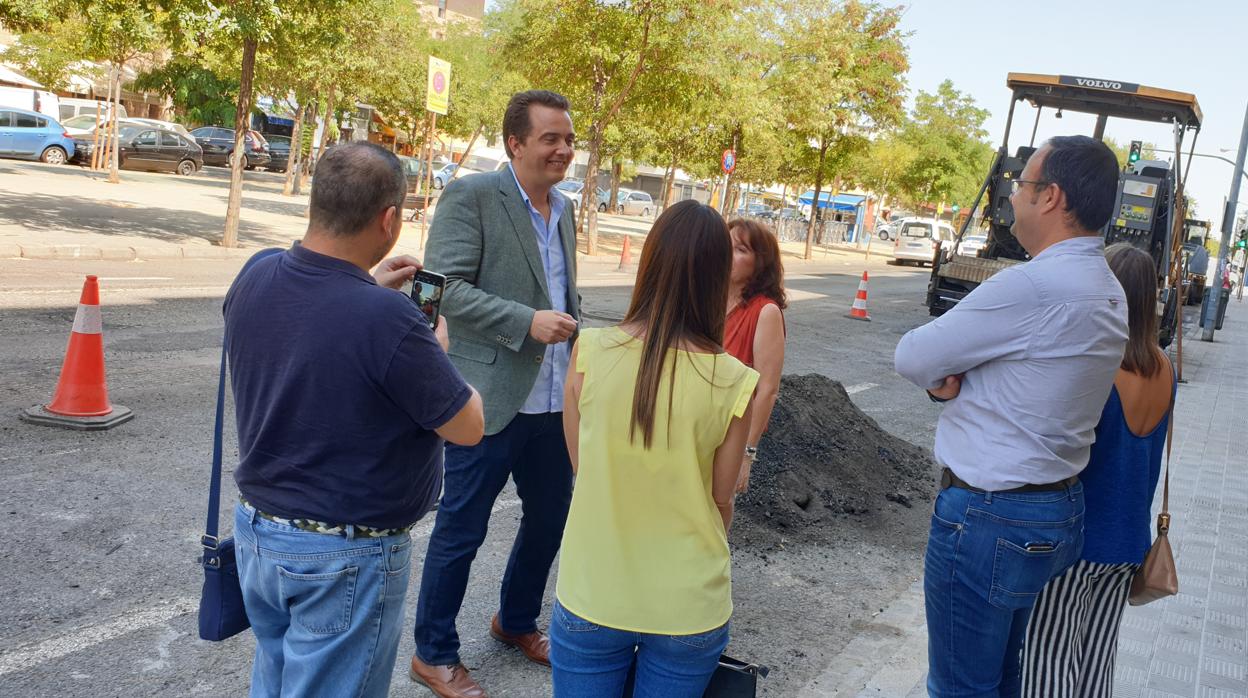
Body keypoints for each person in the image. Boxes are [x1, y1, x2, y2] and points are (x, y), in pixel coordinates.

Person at [225, 142, 484, 698]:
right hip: (344, 554)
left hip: (259, 534)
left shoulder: (256, 272)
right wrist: (434, 347)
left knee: (274, 682)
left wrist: (370, 288)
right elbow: (467, 426)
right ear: (389, 219)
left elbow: (315, 317)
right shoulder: (390, 321)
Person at [893, 135, 1128, 697]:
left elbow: (913, 356)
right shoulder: (1108, 288)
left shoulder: (1033, 285)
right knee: (1005, 680)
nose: (1014, 194)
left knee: (960, 688)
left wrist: (946, 382)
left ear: (1051, 197)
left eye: (1022, 183)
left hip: (989, 518)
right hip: (1057, 509)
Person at [551, 200, 758, 696]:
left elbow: (585, 469)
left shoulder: (591, 352)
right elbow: (721, 500)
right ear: (717, 277)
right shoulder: (735, 381)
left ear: (649, 262)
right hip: (688, 603)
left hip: (593, 590)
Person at [412, 89, 581, 697]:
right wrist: (524, 320)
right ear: (515, 143)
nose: (564, 149)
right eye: (550, 139)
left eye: (568, 139)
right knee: (462, 529)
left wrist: (578, 342)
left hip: (553, 401)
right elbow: (431, 290)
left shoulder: (564, 208)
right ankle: (433, 653)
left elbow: (564, 296)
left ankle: (515, 621)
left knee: (549, 520)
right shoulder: (474, 195)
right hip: (487, 399)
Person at [1022, 243, 1176, 698]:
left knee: (1048, 657)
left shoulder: (1099, 364)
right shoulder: (1164, 367)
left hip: (1077, 540)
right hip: (1129, 544)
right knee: (1096, 658)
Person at [724, 218, 787, 493]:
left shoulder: (765, 312)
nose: (727, 256)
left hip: (728, 437)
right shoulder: (707, 301)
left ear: (759, 263)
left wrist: (746, 455)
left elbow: (767, 390)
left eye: (740, 250)